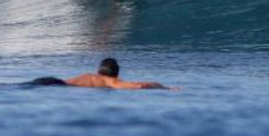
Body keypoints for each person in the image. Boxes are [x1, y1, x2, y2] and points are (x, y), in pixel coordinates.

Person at [29, 58, 172, 90]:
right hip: (57, 85)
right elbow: (139, 86)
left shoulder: (86, 76)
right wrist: (162, 87)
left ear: (99, 70)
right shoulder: (111, 82)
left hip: (52, 81)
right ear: (116, 73)